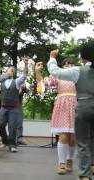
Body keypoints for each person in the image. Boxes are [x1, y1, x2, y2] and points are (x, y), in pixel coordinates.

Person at [47, 43, 94, 180]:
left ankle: (85, 174)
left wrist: (52, 58)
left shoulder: (78, 70)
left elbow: (56, 72)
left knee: (83, 142)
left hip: (84, 105)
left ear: (83, 57)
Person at [36, 60, 76, 175]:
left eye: (71, 64)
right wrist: (37, 72)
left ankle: (69, 160)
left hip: (76, 107)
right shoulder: (58, 76)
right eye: (66, 64)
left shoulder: (77, 76)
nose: (69, 66)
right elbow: (44, 83)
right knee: (64, 136)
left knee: (73, 138)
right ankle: (62, 163)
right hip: (62, 107)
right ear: (62, 67)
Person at [0, 59, 28, 153]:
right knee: (1, 125)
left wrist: (26, 64)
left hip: (13, 108)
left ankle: (12, 144)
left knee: (12, 127)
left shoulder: (17, 82)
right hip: (3, 107)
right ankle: (4, 141)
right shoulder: (1, 82)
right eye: (7, 70)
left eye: (10, 70)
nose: (8, 71)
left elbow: (24, 75)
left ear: (13, 73)